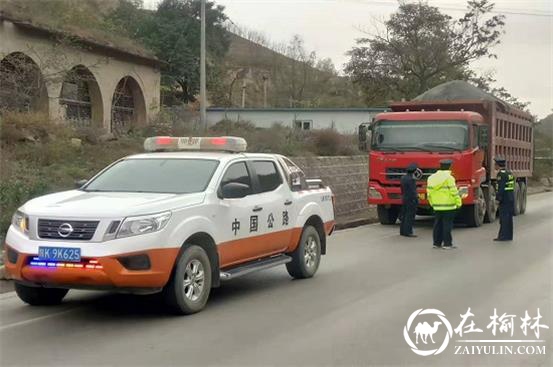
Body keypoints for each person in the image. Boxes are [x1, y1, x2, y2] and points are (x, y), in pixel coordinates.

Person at [426, 159, 462, 249]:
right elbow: (454, 192)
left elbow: (429, 193)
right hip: (449, 206)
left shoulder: (431, 178)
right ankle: (447, 244)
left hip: (437, 206)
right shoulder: (449, 178)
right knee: (447, 225)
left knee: (437, 225)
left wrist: (432, 203)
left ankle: (436, 243)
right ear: (450, 167)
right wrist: (458, 202)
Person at [494, 157, 515, 241]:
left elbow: (501, 188)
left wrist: (498, 198)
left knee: (504, 218)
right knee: (509, 218)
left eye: (495, 164)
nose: (495, 166)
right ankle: (509, 235)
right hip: (510, 197)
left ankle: (503, 236)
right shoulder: (509, 173)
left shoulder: (501, 174)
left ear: (498, 165)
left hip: (504, 198)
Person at [400, 163, 419, 237]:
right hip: (411, 199)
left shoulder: (403, 178)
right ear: (414, 171)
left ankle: (402, 231)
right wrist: (416, 198)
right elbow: (413, 190)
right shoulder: (411, 180)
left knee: (404, 215)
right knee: (410, 216)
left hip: (404, 198)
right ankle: (408, 231)